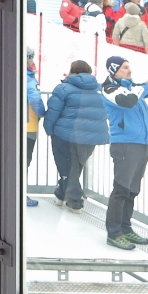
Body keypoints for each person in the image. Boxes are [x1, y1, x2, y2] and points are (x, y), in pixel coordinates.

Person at [101, 55, 148, 250]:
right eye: (125, 67)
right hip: (124, 144)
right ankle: (114, 232)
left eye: (129, 66)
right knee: (121, 189)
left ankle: (125, 227)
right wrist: (146, 86)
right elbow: (128, 101)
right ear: (114, 70)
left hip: (141, 144)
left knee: (132, 190)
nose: (129, 70)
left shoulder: (133, 87)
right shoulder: (110, 89)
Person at [41, 60, 109, 211]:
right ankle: (60, 193)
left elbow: (53, 112)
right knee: (75, 168)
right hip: (90, 138)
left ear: (72, 71)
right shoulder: (100, 90)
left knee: (67, 168)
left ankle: (75, 201)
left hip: (65, 135)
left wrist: (49, 129)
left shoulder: (63, 89)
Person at [25, 51, 45, 208]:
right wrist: (42, 113)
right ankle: (20, 194)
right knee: (24, 161)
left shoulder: (17, 75)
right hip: (28, 126)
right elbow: (35, 98)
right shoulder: (29, 79)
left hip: (17, 125)